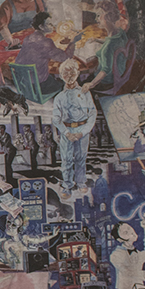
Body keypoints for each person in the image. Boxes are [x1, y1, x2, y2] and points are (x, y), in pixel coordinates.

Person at [51, 58, 96, 193]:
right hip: (66, 131)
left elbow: (93, 113)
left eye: (72, 73)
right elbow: (56, 118)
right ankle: (67, 185)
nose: (69, 77)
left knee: (81, 158)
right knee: (66, 160)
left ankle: (81, 182)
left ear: (77, 74)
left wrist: (83, 132)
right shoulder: (59, 97)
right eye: (65, 74)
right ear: (61, 76)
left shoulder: (85, 92)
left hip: (82, 130)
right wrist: (66, 133)